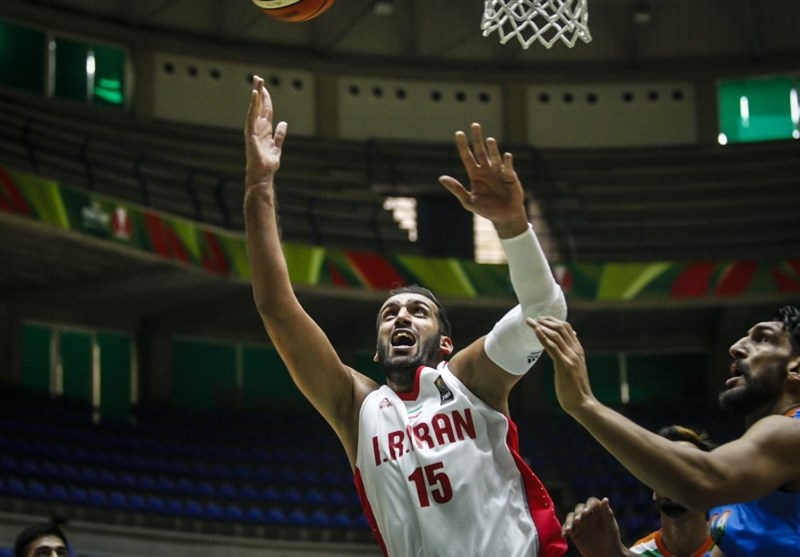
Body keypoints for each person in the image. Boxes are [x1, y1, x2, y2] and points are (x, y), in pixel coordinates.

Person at [244, 75, 568, 556]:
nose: (400, 318)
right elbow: (276, 306)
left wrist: (512, 226)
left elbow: (546, 313)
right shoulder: (358, 408)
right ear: (377, 346)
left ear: (443, 343)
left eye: (419, 312)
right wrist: (260, 184)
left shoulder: (470, 382)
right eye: (390, 313)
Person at [529, 306, 800, 556]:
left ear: (796, 367)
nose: (736, 347)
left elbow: (703, 482)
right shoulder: (749, 484)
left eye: (763, 338)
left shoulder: (792, 431)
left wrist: (584, 403)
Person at [563, 426, 717, 557]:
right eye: (666, 469)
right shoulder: (639, 552)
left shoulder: (734, 544)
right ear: (653, 488)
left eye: (688, 466)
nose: (675, 477)